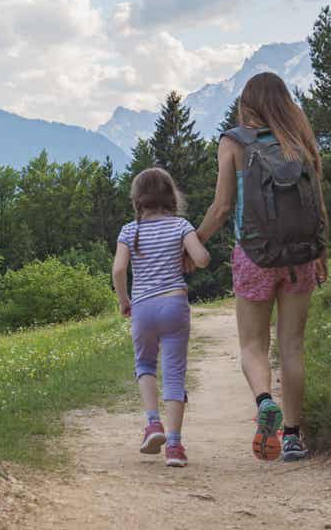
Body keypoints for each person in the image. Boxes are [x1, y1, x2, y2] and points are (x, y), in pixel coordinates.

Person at [193, 72, 328, 462]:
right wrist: (322, 252)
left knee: (253, 344)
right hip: (300, 257)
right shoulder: (299, 140)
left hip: (253, 256)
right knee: (293, 347)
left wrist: (194, 242)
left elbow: (221, 208)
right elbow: (318, 204)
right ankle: (291, 436)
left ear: (248, 104)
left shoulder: (233, 142)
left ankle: (264, 400)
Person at [112, 167, 210, 468]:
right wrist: (187, 252)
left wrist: (124, 300)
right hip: (174, 304)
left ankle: (153, 424)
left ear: (137, 199)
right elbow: (203, 260)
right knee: (175, 374)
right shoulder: (181, 225)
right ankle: (175, 447)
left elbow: (118, 270)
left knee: (144, 364)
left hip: (142, 307)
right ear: (171, 196)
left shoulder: (130, 230)